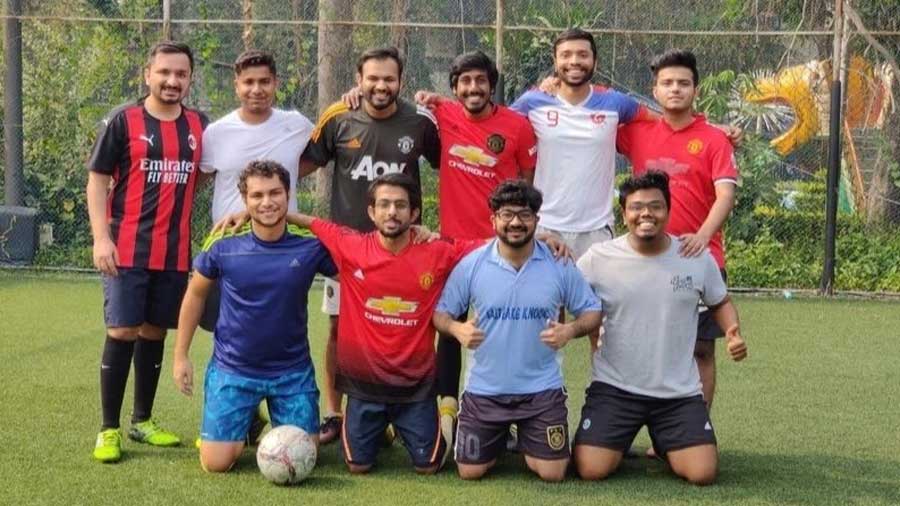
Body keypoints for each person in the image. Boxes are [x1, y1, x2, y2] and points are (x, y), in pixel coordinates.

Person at [285, 173, 478, 474]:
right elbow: (311, 222)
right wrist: (258, 210)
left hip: (416, 387)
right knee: (358, 466)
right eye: (384, 204)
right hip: (364, 388)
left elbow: (487, 247)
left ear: (414, 214)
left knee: (429, 467)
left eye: (401, 205)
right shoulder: (351, 245)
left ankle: (444, 417)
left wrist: (539, 238)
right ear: (371, 212)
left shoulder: (437, 250)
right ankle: (382, 428)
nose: (392, 212)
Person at [302, 47, 441, 443]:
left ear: (401, 81)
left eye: (389, 79)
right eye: (373, 78)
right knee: (338, 328)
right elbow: (301, 165)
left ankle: (398, 408)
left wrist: (431, 224)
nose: (381, 86)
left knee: (406, 326)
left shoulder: (419, 122)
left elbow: (448, 166)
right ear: (359, 79)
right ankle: (335, 412)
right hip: (348, 252)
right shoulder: (338, 118)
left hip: (405, 249)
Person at [573, 171, 748, 485]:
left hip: (677, 394)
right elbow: (566, 291)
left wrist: (732, 331)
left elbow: (720, 301)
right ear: (623, 213)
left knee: (702, 474)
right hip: (615, 389)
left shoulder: (694, 256)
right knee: (591, 469)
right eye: (636, 207)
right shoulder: (598, 258)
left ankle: (668, 439)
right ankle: (618, 436)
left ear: (668, 211)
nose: (646, 214)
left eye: (655, 206)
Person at [86, 41, 208, 463]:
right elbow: (98, 181)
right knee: (122, 331)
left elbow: (205, 176)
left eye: (181, 74)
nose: (172, 81)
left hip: (174, 252)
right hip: (126, 247)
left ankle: (142, 420)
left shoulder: (198, 124)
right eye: (165, 73)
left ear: (189, 79)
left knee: (155, 330)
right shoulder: (123, 120)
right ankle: (108, 429)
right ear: (148, 74)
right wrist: (101, 238)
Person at [434, 180, 602, 482]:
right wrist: (457, 329)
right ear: (494, 219)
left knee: (552, 473)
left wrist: (570, 330)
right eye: (507, 214)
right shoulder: (473, 264)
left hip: (541, 390)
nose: (515, 222)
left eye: (525, 215)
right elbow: (440, 315)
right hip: (484, 390)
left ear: (537, 221)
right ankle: (499, 434)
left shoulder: (558, 263)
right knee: (470, 472)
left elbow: (592, 312)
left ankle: (524, 433)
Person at [172, 161, 335, 472]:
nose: (267, 202)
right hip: (233, 370)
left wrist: (305, 220)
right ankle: (247, 416)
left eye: (275, 193)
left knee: (307, 456)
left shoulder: (310, 245)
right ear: (244, 200)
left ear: (289, 194)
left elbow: (360, 263)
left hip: (292, 372)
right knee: (216, 464)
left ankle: (260, 415)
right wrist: (181, 355)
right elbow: (195, 295)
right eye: (257, 195)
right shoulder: (224, 242)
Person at [198, 49, 315, 443]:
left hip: (283, 250)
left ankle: (284, 404)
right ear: (236, 85)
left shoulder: (296, 125)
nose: (257, 89)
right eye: (248, 82)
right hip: (230, 250)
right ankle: (237, 415)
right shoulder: (216, 133)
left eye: (264, 81)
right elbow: (201, 180)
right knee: (228, 336)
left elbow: (318, 153)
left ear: (276, 84)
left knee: (280, 327)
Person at [616, 49, 739, 415]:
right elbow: (592, 118)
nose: (675, 89)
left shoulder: (715, 139)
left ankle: (695, 428)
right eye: (667, 83)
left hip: (699, 258)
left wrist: (702, 236)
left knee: (701, 348)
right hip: (646, 258)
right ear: (654, 91)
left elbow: (726, 195)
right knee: (647, 345)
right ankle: (645, 426)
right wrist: (552, 85)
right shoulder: (636, 133)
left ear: (695, 90)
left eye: (683, 83)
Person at [510, 28, 652, 259]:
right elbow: (493, 123)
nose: (574, 61)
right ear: (555, 61)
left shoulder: (615, 102)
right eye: (566, 55)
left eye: (582, 55)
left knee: (592, 297)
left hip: (596, 231)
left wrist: (716, 129)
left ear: (595, 62)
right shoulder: (533, 101)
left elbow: (667, 122)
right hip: (545, 226)